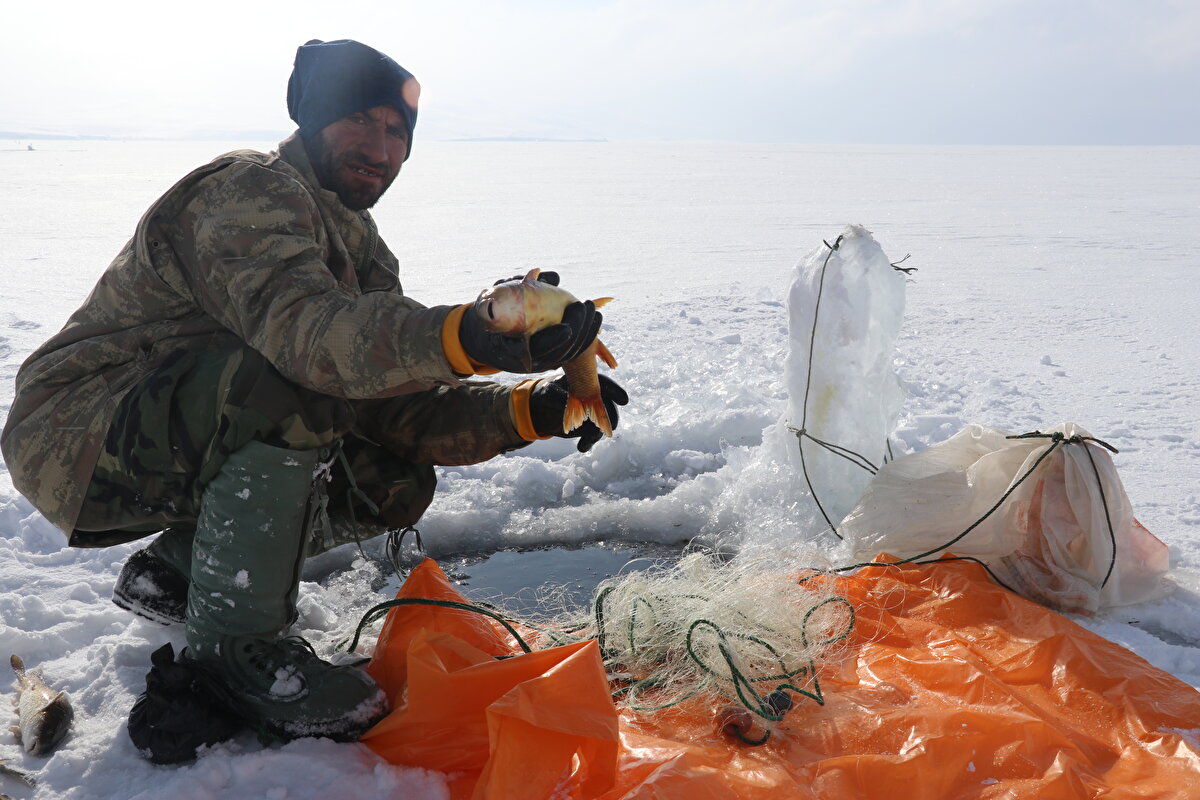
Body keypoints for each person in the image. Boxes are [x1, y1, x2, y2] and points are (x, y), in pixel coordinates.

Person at [0, 39, 627, 742]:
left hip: (167, 425)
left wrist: (528, 409)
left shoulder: (360, 244)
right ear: (311, 119)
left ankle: (180, 572)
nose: (380, 146)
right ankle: (238, 654)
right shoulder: (248, 190)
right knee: (291, 382)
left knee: (392, 477)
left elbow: (394, 408)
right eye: (360, 119)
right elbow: (309, 338)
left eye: (397, 131)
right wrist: (464, 336)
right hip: (75, 429)